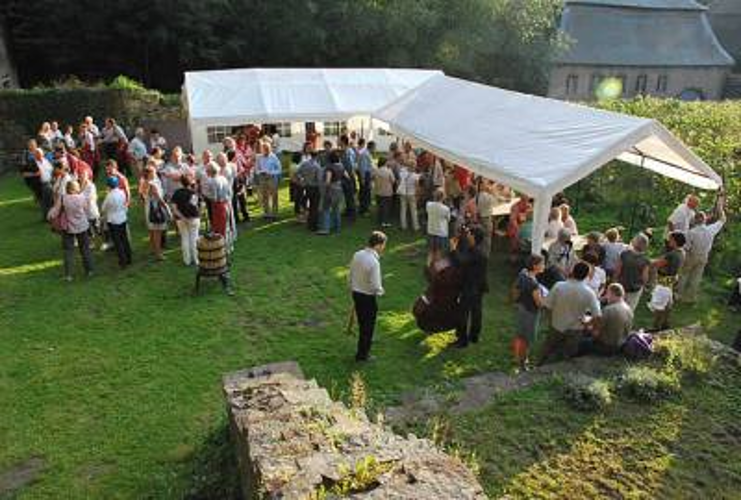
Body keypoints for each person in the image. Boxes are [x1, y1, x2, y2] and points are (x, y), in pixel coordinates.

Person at [538, 261, 602, 365]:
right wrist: (587, 323)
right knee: (566, 354)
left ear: (572, 271)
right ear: (586, 276)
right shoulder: (589, 293)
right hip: (575, 329)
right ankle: (558, 373)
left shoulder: (559, 286)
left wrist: (551, 320)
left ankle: (538, 366)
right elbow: (598, 316)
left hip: (556, 325)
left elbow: (547, 306)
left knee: (547, 349)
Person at [349, 231, 387, 362]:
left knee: (362, 322)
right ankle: (362, 354)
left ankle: (365, 342)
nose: (383, 248)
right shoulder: (374, 262)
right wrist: (381, 291)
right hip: (367, 297)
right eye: (383, 245)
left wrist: (352, 286)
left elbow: (351, 273)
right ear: (378, 245)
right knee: (368, 326)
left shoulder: (357, 254)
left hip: (356, 292)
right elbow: (376, 285)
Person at [677, 207, 726, 304]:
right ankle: (690, 298)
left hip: (691, 255)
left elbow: (687, 247)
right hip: (704, 256)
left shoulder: (691, 232)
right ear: (704, 220)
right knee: (696, 277)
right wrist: (720, 208)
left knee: (684, 275)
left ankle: (678, 295)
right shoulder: (710, 230)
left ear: (695, 220)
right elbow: (723, 220)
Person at [452, 226, 489, 347]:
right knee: (476, 312)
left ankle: (462, 340)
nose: (468, 235)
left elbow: (461, 261)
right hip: (479, 286)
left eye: (469, 234)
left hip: (471, 287)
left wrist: (453, 249)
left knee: (463, 313)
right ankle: (474, 336)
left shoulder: (476, 252)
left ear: (473, 237)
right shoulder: (477, 249)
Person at [55, 180, 94, 281]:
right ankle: (89, 270)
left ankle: (69, 275)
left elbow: (56, 211)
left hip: (68, 227)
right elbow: (87, 210)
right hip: (82, 226)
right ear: (76, 188)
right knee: (85, 249)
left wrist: (51, 216)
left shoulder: (63, 198)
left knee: (68, 251)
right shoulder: (82, 197)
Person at [513, 254, 546, 369]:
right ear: (535, 266)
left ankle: (517, 358)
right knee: (527, 339)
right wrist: (548, 300)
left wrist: (516, 301)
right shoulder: (534, 284)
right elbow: (539, 303)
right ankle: (523, 362)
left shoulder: (523, 273)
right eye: (542, 264)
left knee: (519, 335)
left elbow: (516, 289)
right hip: (531, 313)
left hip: (522, 308)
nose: (544, 266)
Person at [589, 283, 633, 355]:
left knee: (580, 342)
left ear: (612, 294)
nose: (606, 297)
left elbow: (595, 333)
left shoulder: (608, 310)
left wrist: (588, 326)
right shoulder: (628, 308)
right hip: (622, 344)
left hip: (607, 347)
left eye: (607, 293)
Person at [100, 176, 132, 268]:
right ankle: (129, 258)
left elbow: (103, 208)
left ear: (109, 186)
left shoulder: (109, 196)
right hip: (122, 218)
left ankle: (122, 261)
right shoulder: (122, 192)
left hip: (113, 221)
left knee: (117, 242)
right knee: (124, 239)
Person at [141, 163, 170, 261]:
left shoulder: (149, 181)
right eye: (153, 171)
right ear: (149, 174)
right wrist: (166, 207)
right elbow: (158, 197)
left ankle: (154, 249)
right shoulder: (151, 183)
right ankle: (158, 254)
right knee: (157, 232)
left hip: (149, 207)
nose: (155, 172)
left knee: (152, 231)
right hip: (155, 208)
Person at [171, 174, 201, 266]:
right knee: (194, 238)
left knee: (184, 238)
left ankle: (187, 261)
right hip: (193, 218)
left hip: (181, 219)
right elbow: (195, 207)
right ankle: (196, 259)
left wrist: (182, 217)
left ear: (181, 182)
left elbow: (174, 209)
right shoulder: (193, 193)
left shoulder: (176, 193)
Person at [615, 233, 651, 311]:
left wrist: (614, 280)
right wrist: (644, 285)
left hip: (622, 285)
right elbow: (645, 276)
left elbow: (618, 270)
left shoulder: (624, 254)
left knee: (618, 306)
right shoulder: (645, 260)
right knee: (630, 309)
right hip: (635, 288)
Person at [317, 150, 346, 235]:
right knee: (336, 210)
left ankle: (326, 229)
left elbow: (328, 181)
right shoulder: (341, 166)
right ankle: (337, 229)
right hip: (339, 189)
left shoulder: (329, 167)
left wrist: (324, 188)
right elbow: (346, 176)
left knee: (326, 209)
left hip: (330, 190)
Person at [296, 149, 323, 232]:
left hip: (306, 187)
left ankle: (309, 223)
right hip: (314, 188)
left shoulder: (304, 164)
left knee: (308, 207)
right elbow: (319, 179)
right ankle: (313, 225)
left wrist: (302, 180)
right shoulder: (317, 166)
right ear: (317, 156)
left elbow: (297, 173)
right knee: (314, 207)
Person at [255, 142, 282, 220]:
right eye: (263, 149)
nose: (265, 150)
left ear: (269, 149)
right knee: (264, 196)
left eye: (267, 149)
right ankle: (266, 213)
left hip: (271, 178)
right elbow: (256, 169)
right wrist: (261, 172)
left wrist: (271, 173)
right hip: (262, 178)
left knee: (274, 196)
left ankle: (274, 213)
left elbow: (279, 169)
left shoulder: (274, 157)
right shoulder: (259, 157)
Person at [426, 189, 451, 259]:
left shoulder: (428, 205)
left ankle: (428, 267)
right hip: (441, 233)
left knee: (430, 252)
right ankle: (436, 269)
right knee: (439, 253)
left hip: (431, 231)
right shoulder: (446, 209)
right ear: (443, 197)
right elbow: (448, 219)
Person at [397, 160, 421, 231]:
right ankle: (416, 226)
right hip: (412, 194)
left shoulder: (402, 174)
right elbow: (417, 187)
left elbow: (399, 182)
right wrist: (418, 195)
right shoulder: (415, 176)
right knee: (413, 211)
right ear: (414, 166)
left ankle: (403, 226)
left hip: (403, 193)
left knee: (403, 210)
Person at [476, 180, 496, 257]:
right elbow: (495, 202)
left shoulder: (477, 195)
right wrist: (491, 192)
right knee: (487, 238)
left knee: (479, 236)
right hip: (486, 218)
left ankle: (480, 253)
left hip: (480, 217)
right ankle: (485, 255)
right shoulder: (487, 196)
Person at [373, 158, 395, 227]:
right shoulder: (389, 171)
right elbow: (393, 180)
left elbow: (373, 178)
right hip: (387, 192)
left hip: (378, 191)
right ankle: (385, 222)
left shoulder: (376, 170)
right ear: (385, 163)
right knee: (386, 208)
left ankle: (379, 220)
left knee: (380, 207)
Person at [339, 135, 357, 217]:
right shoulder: (346, 151)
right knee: (347, 196)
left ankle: (352, 215)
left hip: (348, 177)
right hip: (346, 176)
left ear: (342, 141)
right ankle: (348, 211)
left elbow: (350, 165)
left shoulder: (347, 152)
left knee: (350, 196)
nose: (337, 141)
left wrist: (349, 177)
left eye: (338, 140)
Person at [356, 139, 375, 215]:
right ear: (371, 147)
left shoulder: (368, 153)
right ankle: (363, 210)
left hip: (367, 175)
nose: (375, 149)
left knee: (366, 192)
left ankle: (365, 208)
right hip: (365, 175)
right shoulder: (365, 154)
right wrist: (363, 178)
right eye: (374, 147)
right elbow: (363, 168)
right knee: (364, 193)